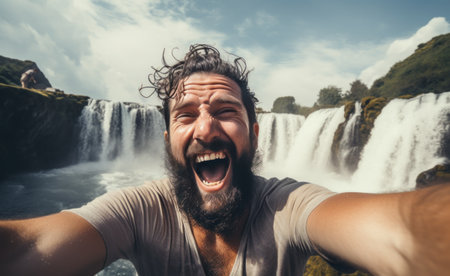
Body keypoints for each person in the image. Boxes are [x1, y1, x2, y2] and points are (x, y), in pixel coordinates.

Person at [1, 44, 450, 276]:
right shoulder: (138, 211)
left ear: (254, 135)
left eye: (225, 111)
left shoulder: (287, 207)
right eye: (186, 115)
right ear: (168, 139)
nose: (205, 128)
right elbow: (30, 248)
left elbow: (402, 231)